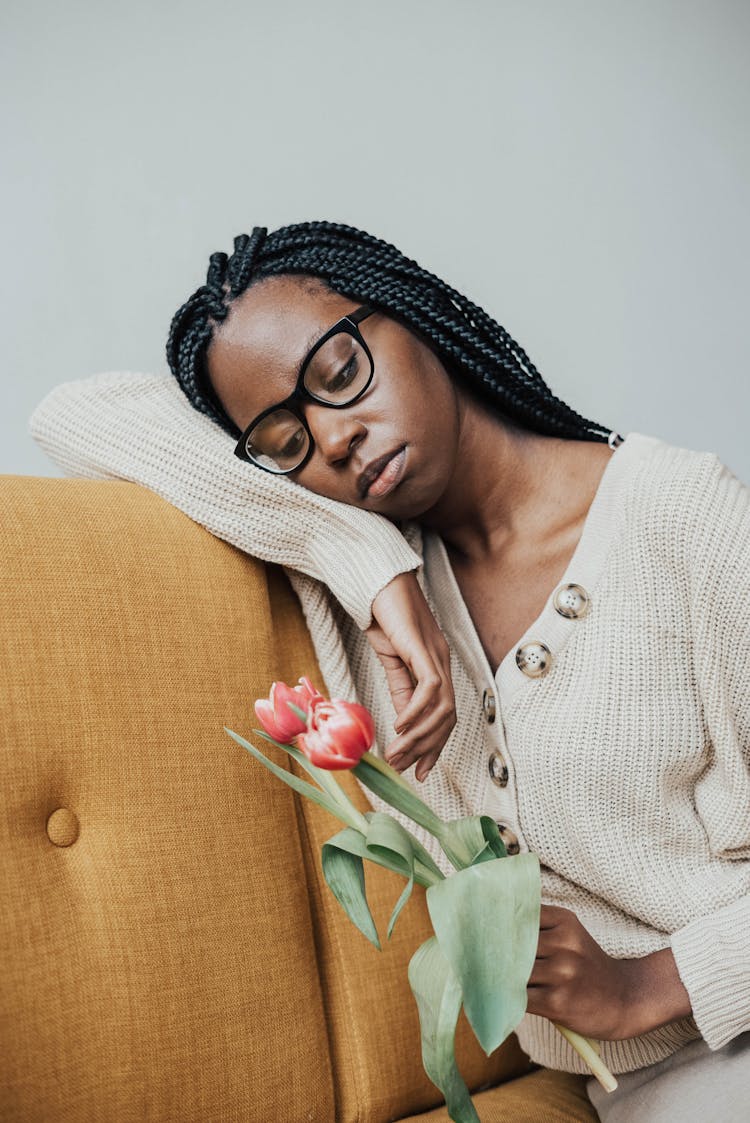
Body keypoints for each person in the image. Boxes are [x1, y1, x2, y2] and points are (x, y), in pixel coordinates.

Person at [29, 221, 750, 1121]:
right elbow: (74, 412)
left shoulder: (686, 518)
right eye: (287, 441)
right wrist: (365, 560)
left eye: (338, 376)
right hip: (653, 1088)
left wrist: (658, 980)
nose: (333, 439)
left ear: (415, 311)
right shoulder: (368, 613)